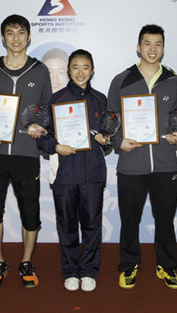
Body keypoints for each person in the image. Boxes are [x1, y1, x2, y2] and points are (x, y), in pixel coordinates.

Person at [0, 14, 52, 289]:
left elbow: (46, 107)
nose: (16, 38)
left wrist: (39, 124)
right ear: (3, 37)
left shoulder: (40, 70)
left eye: (21, 32)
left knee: (29, 211)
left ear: (29, 37)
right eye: (10, 33)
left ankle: (26, 261)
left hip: (26, 151)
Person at [107, 24, 177, 290]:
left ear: (163, 47)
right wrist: (118, 141)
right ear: (138, 47)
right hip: (131, 164)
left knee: (165, 219)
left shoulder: (173, 80)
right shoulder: (121, 80)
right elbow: (110, 118)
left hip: (164, 163)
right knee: (130, 220)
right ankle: (129, 266)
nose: (153, 49)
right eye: (147, 44)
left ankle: (167, 266)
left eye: (158, 44)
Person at [37, 49, 109, 292]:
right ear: (69, 70)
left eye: (85, 67)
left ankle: (89, 271)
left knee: (92, 225)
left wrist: (105, 139)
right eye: (75, 67)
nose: (80, 72)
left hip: (93, 174)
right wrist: (56, 146)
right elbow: (43, 136)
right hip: (65, 173)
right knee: (67, 225)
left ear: (92, 70)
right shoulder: (56, 98)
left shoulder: (101, 99)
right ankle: (70, 270)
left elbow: (108, 135)